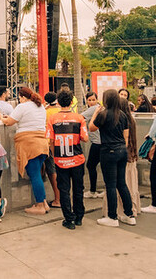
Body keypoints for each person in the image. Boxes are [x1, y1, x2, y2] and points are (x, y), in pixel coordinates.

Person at [88, 89, 135, 227]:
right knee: (122, 183)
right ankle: (129, 214)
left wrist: (95, 113)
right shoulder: (123, 115)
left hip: (108, 151)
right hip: (122, 150)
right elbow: (126, 137)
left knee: (110, 184)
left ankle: (112, 217)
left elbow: (91, 128)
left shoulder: (103, 114)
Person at [2, 86, 49, 215]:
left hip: (29, 145)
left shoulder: (22, 107)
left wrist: (1, 118)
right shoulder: (40, 106)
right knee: (38, 174)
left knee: (34, 176)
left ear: (22, 97)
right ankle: (43, 202)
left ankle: (39, 205)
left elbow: (10, 122)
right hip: (42, 143)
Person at [47, 90, 88, 229]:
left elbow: (50, 140)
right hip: (77, 159)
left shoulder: (51, 119)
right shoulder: (79, 118)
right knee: (78, 189)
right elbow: (85, 138)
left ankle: (68, 219)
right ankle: (79, 217)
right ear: (71, 102)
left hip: (60, 160)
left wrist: (55, 155)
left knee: (64, 189)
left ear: (58, 102)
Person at [82, 93, 104, 199]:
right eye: (89, 100)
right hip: (100, 142)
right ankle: (105, 189)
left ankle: (93, 191)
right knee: (102, 167)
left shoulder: (94, 109)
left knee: (90, 166)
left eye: (93, 99)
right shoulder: (98, 108)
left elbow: (79, 117)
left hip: (97, 143)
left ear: (97, 100)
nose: (91, 102)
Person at [42, 92, 62, 208]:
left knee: (52, 172)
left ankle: (58, 200)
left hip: (50, 145)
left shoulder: (45, 112)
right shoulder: (61, 111)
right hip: (64, 144)